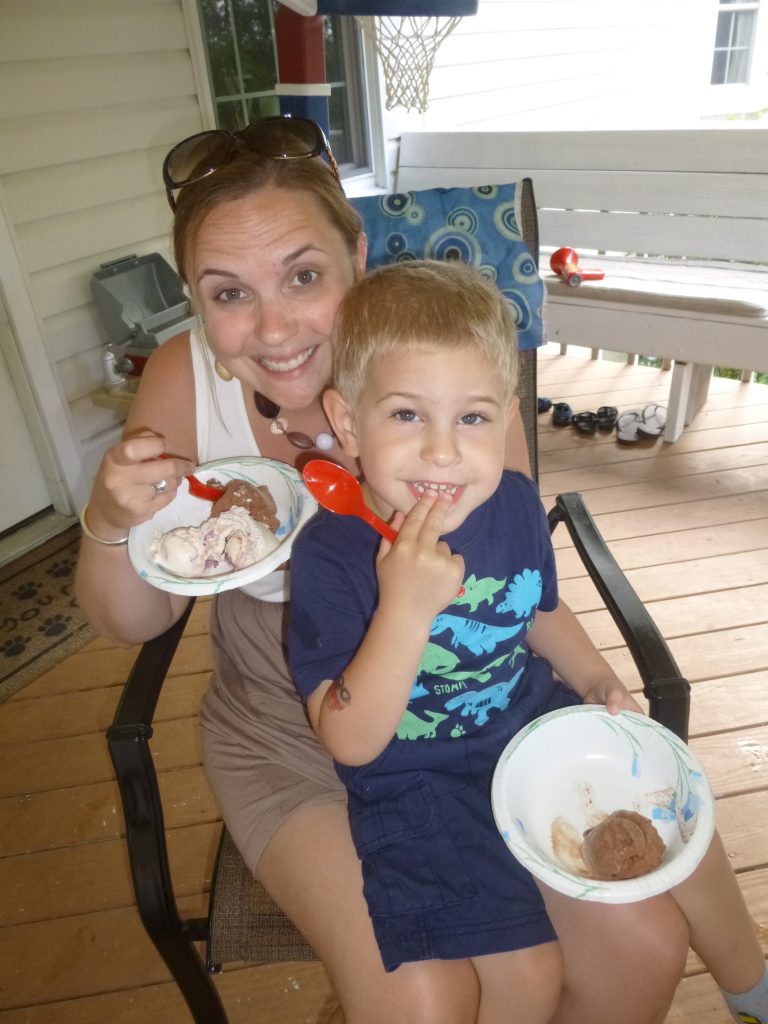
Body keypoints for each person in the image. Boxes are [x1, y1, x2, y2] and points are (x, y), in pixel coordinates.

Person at [76, 115, 693, 1024]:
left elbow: (512, 573)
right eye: (228, 293)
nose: (275, 327)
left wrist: (595, 673)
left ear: (356, 256)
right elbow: (134, 622)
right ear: (196, 303)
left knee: (645, 949)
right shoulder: (182, 382)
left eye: (303, 275)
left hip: (467, 716)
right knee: (428, 998)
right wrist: (109, 518)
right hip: (290, 726)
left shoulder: (452, 380)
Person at [288, 258, 768, 1024]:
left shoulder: (509, 503)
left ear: (508, 416)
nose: (444, 453)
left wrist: (594, 677)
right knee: (525, 971)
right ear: (348, 423)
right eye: (408, 416)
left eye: (472, 418)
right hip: (422, 785)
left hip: (530, 730)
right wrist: (405, 612)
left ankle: (750, 985)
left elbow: (536, 608)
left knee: (671, 807)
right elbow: (347, 737)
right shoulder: (333, 557)